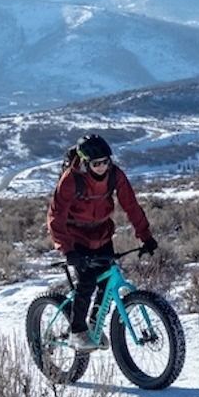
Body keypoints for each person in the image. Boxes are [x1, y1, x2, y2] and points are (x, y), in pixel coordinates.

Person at [47, 133, 158, 350]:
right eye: (96, 164)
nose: (102, 167)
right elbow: (55, 216)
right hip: (76, 236)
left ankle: (93, 324)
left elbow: (131, 206)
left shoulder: (115, 175)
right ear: (86, 162)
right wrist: (67, 249)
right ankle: (77, 331)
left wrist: (146, 236)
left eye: (106, 162)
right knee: (86, 281)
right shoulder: (71, 179)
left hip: (102, 234)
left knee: (107, 282)